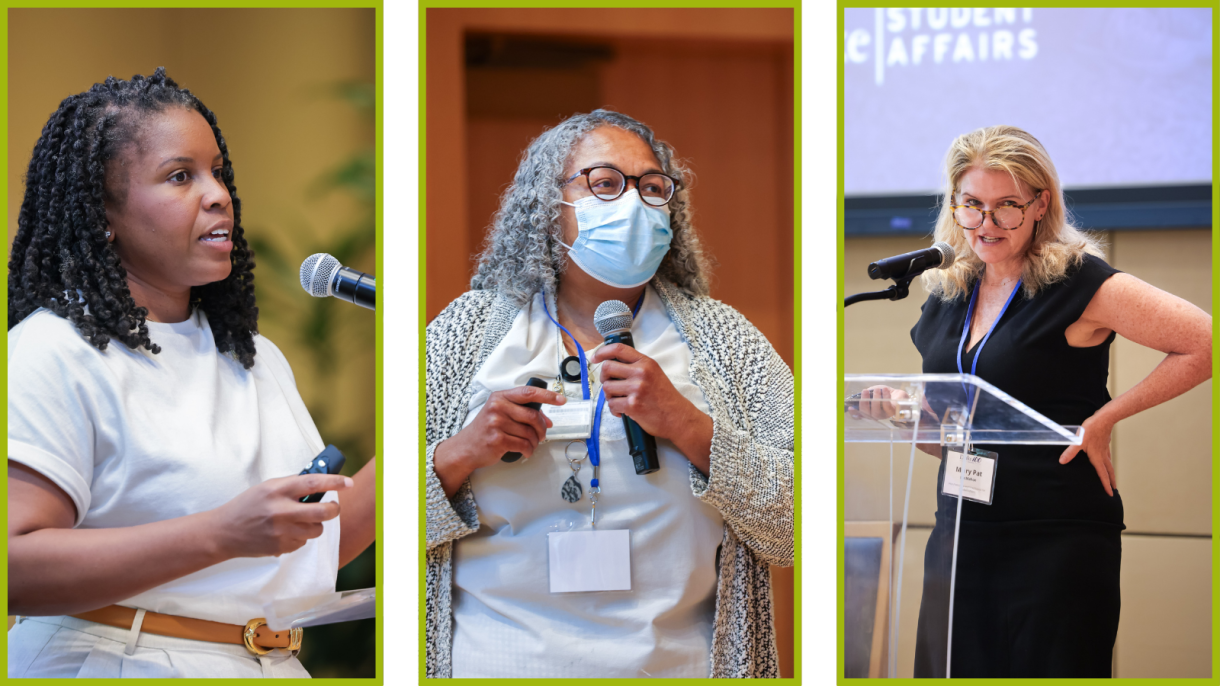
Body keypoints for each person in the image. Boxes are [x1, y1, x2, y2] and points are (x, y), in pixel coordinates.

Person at [6, 68, 377, 678]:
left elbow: (314, 543)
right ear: (104, 212)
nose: (217, 195)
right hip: (117, 658)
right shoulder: (52, 351)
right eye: (181, 176)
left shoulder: (250, 354)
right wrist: (223, 532)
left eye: (218, 173)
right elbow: (13, 570)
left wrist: (439, 425)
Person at [424, 109, 794, 678]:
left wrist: (687, 425)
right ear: (549, 208)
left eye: (652, 188)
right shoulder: (465, 334)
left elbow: (793, 528)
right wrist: (461, 453)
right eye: (604, 184)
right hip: (494, 661)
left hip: (676, 666)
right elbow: (368, 522)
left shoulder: (726, 341)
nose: (633, 203)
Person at [856, 125, 1211, 677]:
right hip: (960, 537)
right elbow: (948, 436)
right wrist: (903, 418)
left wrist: (1105, 417)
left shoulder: (1079, 282)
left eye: (1006, 207)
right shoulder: (948, 295)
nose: (986, 224)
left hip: (1053, 539)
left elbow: (1204, 343)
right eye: (971, 205)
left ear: (1041, 203)